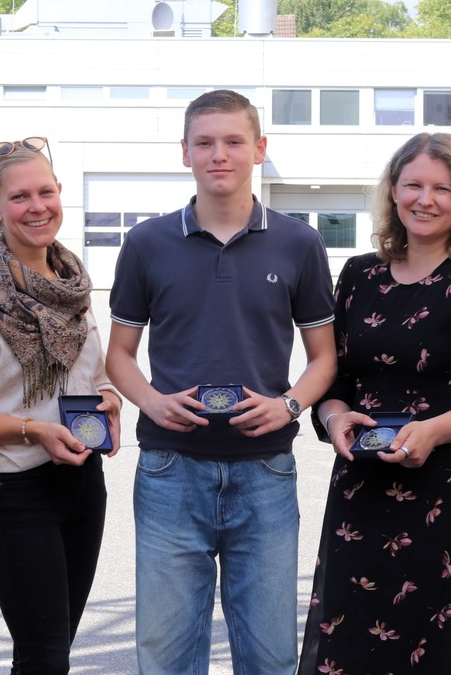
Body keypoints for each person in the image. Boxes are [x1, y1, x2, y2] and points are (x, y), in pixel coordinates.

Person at [106, 89, 337, 675]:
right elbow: (120, 356)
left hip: (265, 470)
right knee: (165, 656)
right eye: (204, 142)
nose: (220, 154)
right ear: (184, 152)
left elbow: (324, 359)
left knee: (268, 656)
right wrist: (152, 403)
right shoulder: (146, 243)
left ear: (259, 149)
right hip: (169, 470)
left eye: (234, 141)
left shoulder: (299, 242)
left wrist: (288, 406)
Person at [297, 132, 451, 675]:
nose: (425, 199)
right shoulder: (359, 274)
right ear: (392, 191)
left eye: (442, 188)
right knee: (351, 631)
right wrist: (332, 417)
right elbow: (332, 376)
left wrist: (432, 432)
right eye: (413, 185)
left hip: (445, 486)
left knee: (432, 638)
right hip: (361, 484)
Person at [0, 136, 121, 675]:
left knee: (54, 648)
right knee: (42, 657)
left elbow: (96, 376)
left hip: (82, 484)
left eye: (45, 192)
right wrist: (34, 430)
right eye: (19, 197)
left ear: (60, 194)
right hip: (14, 490)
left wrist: (107, 403)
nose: (36, 207)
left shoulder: (73, 288)